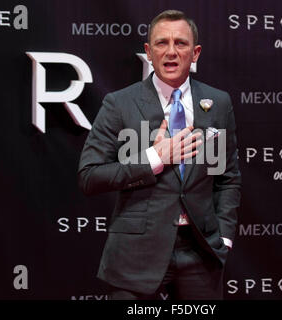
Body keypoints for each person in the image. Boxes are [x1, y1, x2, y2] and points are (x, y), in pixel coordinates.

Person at [78, 9, 241, 300]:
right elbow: (89, 176)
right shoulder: (119, 104)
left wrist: (224, 237)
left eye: (180, 43)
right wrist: (154, 158)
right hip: (136, 256)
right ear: (148, 52)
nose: (170, 51)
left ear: (196, 53)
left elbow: (227, 178)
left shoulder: (218, 103)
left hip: (201, 253)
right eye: (161, 43)